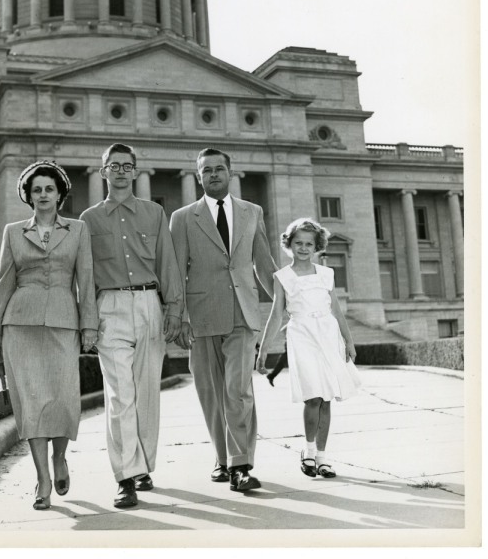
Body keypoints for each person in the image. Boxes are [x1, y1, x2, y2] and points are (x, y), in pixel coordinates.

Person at [0, 160, 99, 511]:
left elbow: (86, 281)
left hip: (64, 322)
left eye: (49, 188)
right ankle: (43, 479)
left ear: (60, 193)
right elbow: (5, 281)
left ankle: (60, 457)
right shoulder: (13, 232)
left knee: (63, 399)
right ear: (29, 195)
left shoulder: (78, 230)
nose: (43, 194)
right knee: (31, 403)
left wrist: (90, 325)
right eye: (36, 189)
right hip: (19, 324)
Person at [80, 143, 183, 509]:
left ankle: (143, 466)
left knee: (146, 393)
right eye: (114, 165)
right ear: (103, 171)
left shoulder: (154, 213)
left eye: (127, 166)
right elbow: (85, 275)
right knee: (120, 394)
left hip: (149, 303)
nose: (121, 171)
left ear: (136, 172)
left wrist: (174, 309)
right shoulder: (89, 219)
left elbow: (167, 262)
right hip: (110, 307)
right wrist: (87, 322)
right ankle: (125, 476)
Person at [169, 148, 278, 492]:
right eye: (207, 170)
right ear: (198, 176)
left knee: (238, 389)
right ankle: (222, 457)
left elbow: (264, 263)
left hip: (243, 313)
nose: (213, 174)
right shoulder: (183, 218)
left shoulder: (252, 211)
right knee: (211, 392)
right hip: (201, 316)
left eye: (219, 169)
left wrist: (288, 299)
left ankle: (240, 464)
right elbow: (176, 272)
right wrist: (179, 316)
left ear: (230, 172)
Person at [256, 217, 361, 479]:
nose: (303, 248)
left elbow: (336, 310)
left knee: (326, 398)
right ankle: (309, 451)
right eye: (298, 243)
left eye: (309, 244)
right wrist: (263, 349)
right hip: (302, 336)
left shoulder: (326, 274)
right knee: (313, 396)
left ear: (317, 246)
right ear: (289, 244)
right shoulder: (282, 277)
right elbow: (276, 315)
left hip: (328, 335)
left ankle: (322, 458)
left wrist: (348, 341)